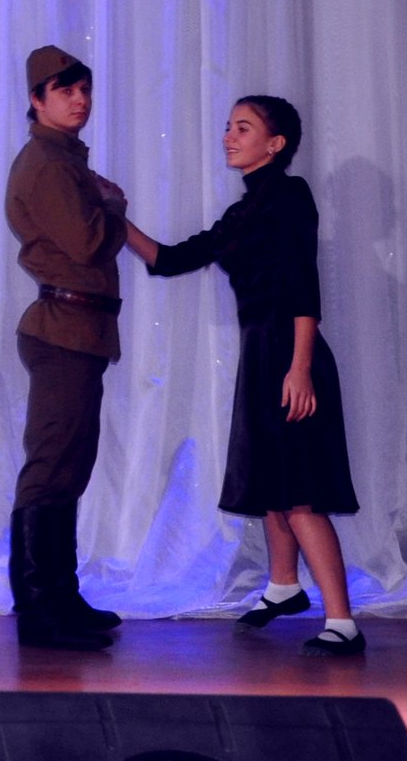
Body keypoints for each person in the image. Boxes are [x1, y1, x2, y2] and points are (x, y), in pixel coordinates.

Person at [126, 96, 362, 655]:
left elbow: (303, 284)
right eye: (229, 127)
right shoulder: (246, 210)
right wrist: (115, 219)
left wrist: (299, 368)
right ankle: (283, 586)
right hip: (262, 353)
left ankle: (343, 623)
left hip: (290, 351)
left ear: (274, 144)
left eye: (243, 128)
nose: (229, 136)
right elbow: (171, 258)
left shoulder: (289, 195)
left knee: (300, 495)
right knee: (275, 484)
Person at [0, 45, 129, 651]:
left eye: (84, 90)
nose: (80, 101)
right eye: (65, 91)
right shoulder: (50, 164)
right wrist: (113, 204)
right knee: (52, 469)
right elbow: (87, 242)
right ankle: (39, 610)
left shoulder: (63, 159)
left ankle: (60, 598)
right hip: (63, 331)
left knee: (67, 468)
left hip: (78, 329)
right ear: (37, 99)